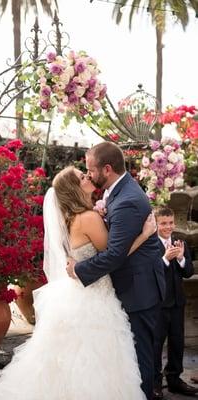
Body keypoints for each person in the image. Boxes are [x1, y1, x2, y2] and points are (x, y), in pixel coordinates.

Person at [0, 165, 156, 400]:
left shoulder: (73, 218)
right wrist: (145, 235)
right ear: (74, 188)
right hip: (95, 298)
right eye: (81, 176)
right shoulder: (89, 218)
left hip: (78, 293)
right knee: (97, 362)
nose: (88, 176)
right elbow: (115, 256)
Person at [66, 142, 166, 400]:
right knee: (129, 355)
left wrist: (79, 269)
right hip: (131, 284)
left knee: (140, 356)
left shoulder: (127, 201)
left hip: (139, 289)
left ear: (107, 169)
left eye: (91, 170)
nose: (88, 175)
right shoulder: (116, 191)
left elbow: (114, 255)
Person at [153, 206, 197, 399]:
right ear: (155, 224)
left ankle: (174, 379)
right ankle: (155, 382)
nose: (168, 227)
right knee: (156, 344)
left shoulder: (182, 243)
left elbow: (188, 272)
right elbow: (150, 275)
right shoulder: (151, 246)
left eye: (170, 222)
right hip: (159, 305)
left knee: (177, 343)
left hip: (178, 303)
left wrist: (180, 258)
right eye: (163, 223)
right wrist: (164, 259)